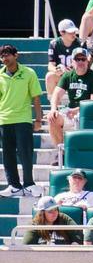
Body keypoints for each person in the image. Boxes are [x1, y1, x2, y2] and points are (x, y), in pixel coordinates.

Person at [0, 44, 44, 195]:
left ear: (16, 55)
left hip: (23, 119)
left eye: (7, 55)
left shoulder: (29, 73)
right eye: (2, 55)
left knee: (25, 153)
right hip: (4, 120)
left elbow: (36, 98)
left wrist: (38, 119)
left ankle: (29, 183)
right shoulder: (0, 75)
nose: (4, 58)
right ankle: (14, 185)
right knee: (8, 154)